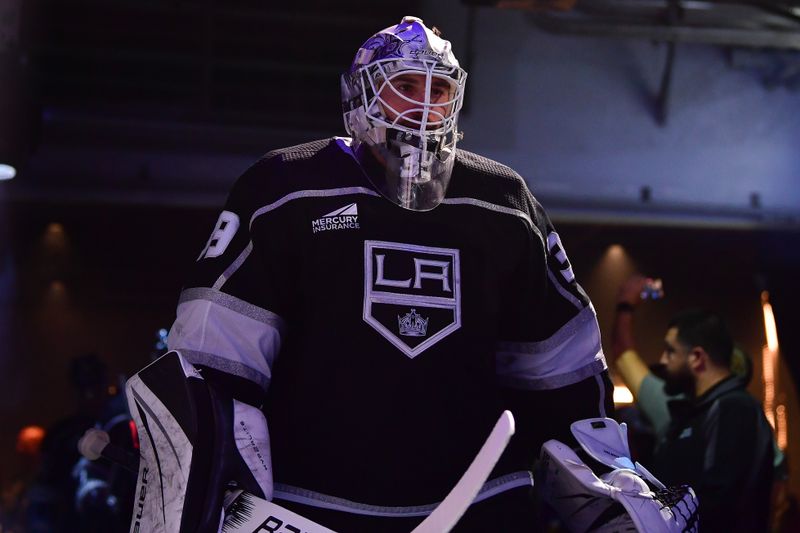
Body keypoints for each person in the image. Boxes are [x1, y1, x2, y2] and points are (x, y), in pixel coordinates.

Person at [126, 16, 613, 532]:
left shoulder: (504, 201)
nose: (425, 103)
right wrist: (223, 492)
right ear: (360, 93)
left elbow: (564, 370)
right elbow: (214, 360)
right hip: (312, 506)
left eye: (439, 87)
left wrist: (608, 485)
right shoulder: (284, 187)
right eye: (405, 84)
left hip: (480, 503)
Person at [611, 277, 774, 532]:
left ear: (697, 357)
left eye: (670, 351)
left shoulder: (734, 409)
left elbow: (718, 505)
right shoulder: (688, 413)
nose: (663, 359)